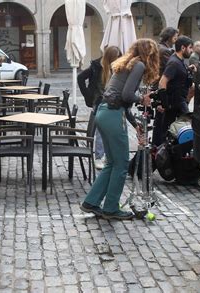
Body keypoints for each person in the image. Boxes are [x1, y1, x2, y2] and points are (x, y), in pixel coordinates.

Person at [80, 39, 159, 220]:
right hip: (113, 115)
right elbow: (127, 95)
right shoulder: (138, 65)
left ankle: (91, 202)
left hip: (105, 113)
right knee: (121, 163)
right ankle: (110, 208)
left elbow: (121, 99)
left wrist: (135, 124)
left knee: (111, 163)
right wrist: (143, 99)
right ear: (149, 54)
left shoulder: (125, 64)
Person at [77, 46, 122, 170]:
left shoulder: (117, 68)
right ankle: (99, 157)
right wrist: (87, 95)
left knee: (112, 130)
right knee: (100, 131)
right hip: (99, 102)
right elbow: (80, 78)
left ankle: (109, 156)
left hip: (113, 103)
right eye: (115, 58)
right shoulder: (97, 67)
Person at [153, 35, 196, 146]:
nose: (191, 51)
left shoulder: (179, 61)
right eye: (190, 48)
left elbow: (178, 75)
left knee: (178, 129)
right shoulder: (174, 63)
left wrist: (188, 69)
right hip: (174, 103)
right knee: (176, 130)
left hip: (179, 102)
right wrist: (165, 104)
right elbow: (162, 83)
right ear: (183, 48)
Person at [152, 27, 179, 146]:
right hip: (163, 87)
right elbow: (172, 68)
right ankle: (159, 148)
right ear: (170, 36)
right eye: (175, 36)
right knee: (162, 122)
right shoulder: (165, 51)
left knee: (159, 122)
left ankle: (156, 145)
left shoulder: (160, 47)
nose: (176, 38)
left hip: (157, 84)